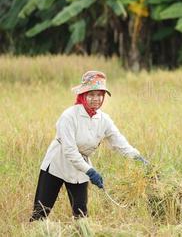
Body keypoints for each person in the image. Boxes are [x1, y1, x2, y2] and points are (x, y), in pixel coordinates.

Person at [30, 70, 149, 221]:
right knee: (41, 212)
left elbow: (120, 144)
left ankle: (81, 231)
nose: (96, 99)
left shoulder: (104, 119)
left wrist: (139, 159)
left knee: (81, 214)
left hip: (80, 168)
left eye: (100, 95)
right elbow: (70, 151)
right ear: (83, 95)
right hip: (57, 164)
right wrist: (91, 171)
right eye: (91, 94)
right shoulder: (69, 116)